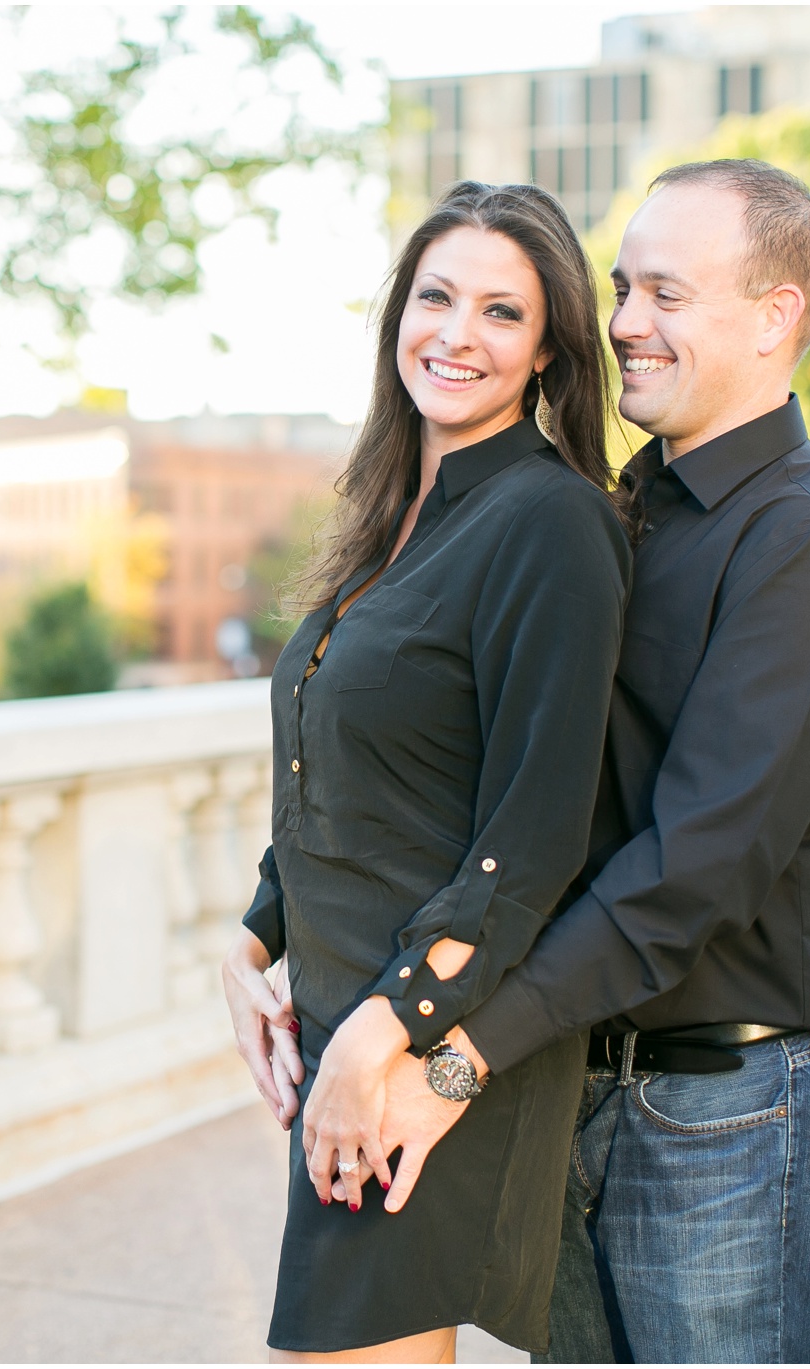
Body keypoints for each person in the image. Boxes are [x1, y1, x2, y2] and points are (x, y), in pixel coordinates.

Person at [421, 159, 810, 1364]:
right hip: (592, 1075)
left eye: (665, 294)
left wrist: (463, 1049)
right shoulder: (622, 512)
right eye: (623, 285)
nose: (622, 320)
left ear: (772, 315)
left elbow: (697, 861)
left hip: (739, 1102)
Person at [221, 180, 631, 1363]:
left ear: (549, 348)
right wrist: (252, 939)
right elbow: (340, 770)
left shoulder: (551, 524)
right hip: (343, 1022)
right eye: (436, 295)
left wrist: (383, 1035)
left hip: (418, 1044)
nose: (455, 334)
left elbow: (534, 835)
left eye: (501, 312)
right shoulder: (388, 517)